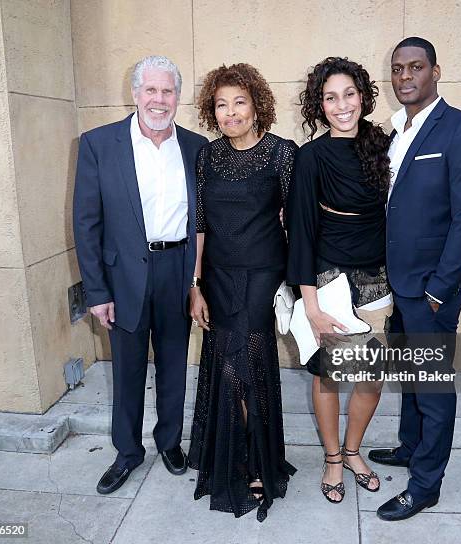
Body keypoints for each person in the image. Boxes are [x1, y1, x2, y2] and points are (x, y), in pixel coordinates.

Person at [368, 37, 461, 521]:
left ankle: (425, 486)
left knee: (433, 388)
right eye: (397, 69)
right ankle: (410, 447)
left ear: (435, 71)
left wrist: (440, 287)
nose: (404, 77)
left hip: (431, 290)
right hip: (398, 286)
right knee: (410, 377)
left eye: (415, 67)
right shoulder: (396, 130)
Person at [73, 55, 207, 495]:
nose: (159, 99)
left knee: (173, 364)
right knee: (127, 370)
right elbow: (86, 222)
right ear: (134, 94)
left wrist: (197, 283)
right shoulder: (98, 144)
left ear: (178, 97)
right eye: (150, 90)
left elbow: (205, 221)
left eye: (167, 91)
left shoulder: (196, 146)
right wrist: (96, 291)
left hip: (177, 269)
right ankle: (127, 452)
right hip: (123, 277)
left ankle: (169, 442)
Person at [187, 63, 297, 522]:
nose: (231, 112)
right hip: (217, 275)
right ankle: (234, 457)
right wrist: (195, 285)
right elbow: (200, 224)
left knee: (243, 363)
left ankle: (254, 462)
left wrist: (301, 283)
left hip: (262, 275)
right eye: (221, 104)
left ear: (257, 105)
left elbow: (298, 223)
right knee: (225, 361)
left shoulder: (282, 154)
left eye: (239, 102)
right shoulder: (207, 157)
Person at [287, 57, 393, 504]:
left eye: (349, 94)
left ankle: (353, 451)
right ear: (320, 104)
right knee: (329, 375)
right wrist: (310, 306)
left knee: (372, 376)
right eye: (330, 97)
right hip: (329, 277)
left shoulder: (383, 144)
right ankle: (332, 457)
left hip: (377, 277)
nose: (341, 105)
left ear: (363, 96)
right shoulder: (310, 157)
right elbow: (302, 232)